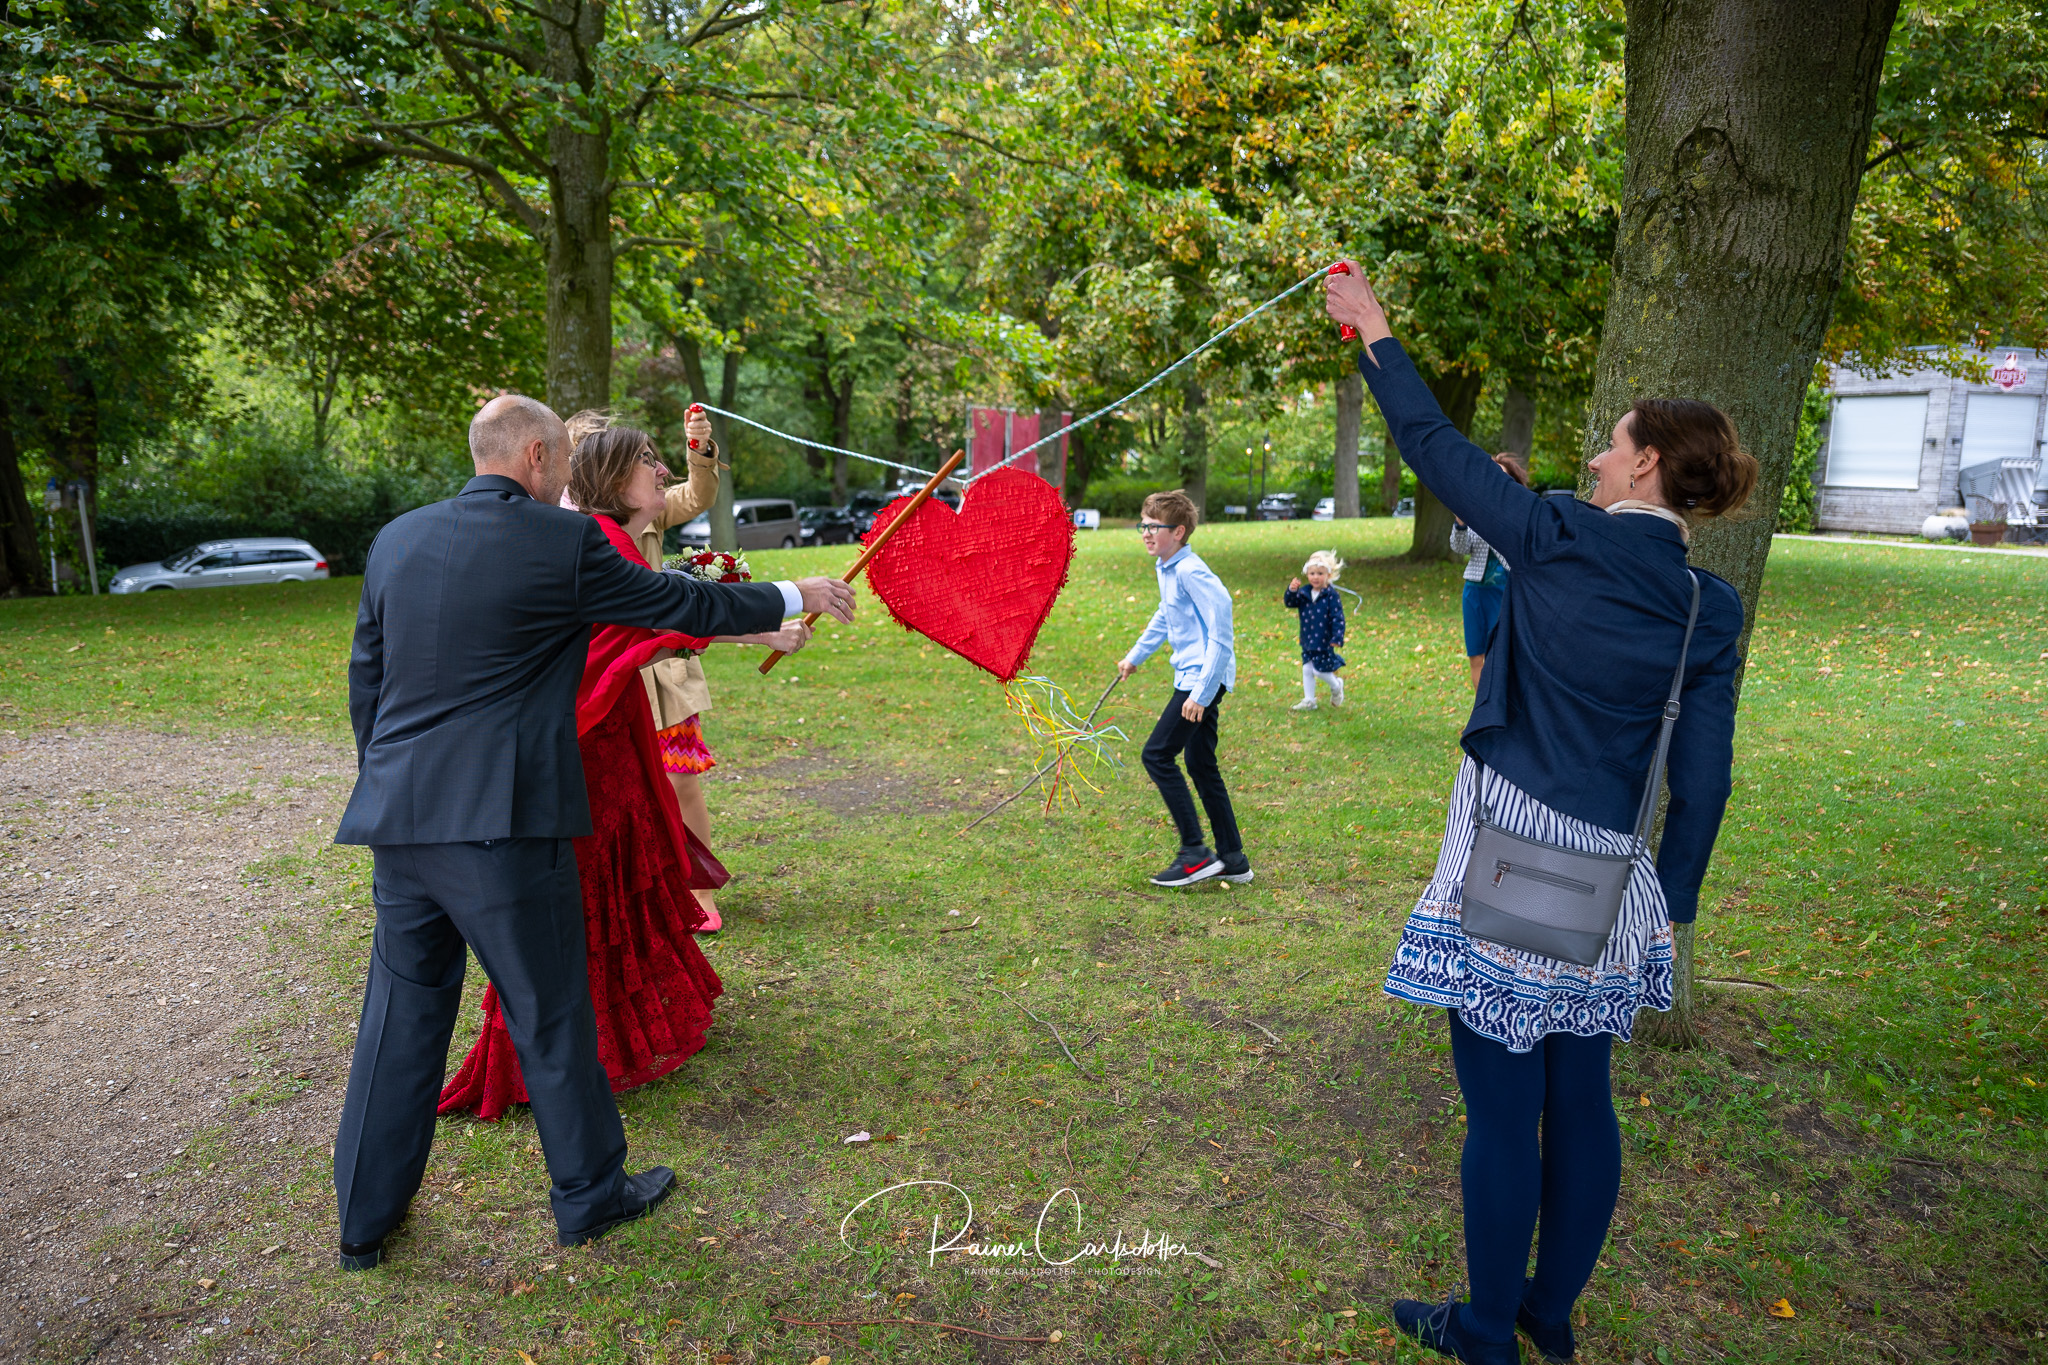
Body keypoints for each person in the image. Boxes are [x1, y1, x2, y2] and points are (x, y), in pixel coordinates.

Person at [1326, 263, 1754, 1365]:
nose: (1597, 456)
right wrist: (1678, 904)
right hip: (1613, 873)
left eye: (1612, 444)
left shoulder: (1559, 533)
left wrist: (1373, 329)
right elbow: (1699, 779)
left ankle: (1481, 1332)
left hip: (1510, 853)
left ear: (1647, 462)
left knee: (1502, 1108)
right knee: (1583, 1099)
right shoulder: (1711, 604)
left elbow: (1434, 448)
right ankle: (1545, 1318)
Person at [333, 394, 856, 1271]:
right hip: (505, 826)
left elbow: (367, 683)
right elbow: (672, 601)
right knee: (551, 1010)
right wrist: (794, 590)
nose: (570, 476)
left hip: (400, 822)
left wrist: (390, 787)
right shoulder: (559, 540)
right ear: (536, 455)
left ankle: (362, 1221)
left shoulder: (396, 539)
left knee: (398, 1018)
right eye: (563, 463)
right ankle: (589, 1194)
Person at [436, 422, 805, 1122]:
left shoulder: (612, 535)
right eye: (647, 460)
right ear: (611, 477)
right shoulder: (593, 539)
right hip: (584, 744)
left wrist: (755, 627)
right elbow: (641, 625)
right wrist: (766, 621)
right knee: (588, 891)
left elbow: (661, 612)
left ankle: (629, 1039)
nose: (661, 467)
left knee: (622, 874)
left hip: (612, 735)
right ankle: (568, 1054)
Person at [567, 405, 730, 931]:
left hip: (660, 674)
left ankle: (701, 891)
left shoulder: (646, 510)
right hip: (603, 674)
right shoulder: (558, 521)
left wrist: (699, 448)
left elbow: (698, 495)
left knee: (681, 778)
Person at [1116, 490, 1253, 889]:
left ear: (1177, 531)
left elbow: (1221, 628)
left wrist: (1201, 693)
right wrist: (1135, 656)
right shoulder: (1168, 568)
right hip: (1194, 678)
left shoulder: (1191, 570)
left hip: (1201, 680)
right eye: (1143, 524)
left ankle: (1194, 852)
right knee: (1200, 765)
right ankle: (1233, 858)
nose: (1145, 532)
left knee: (1157, 755)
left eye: (1153, 526)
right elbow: (1166, 615)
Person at [1450, 456, 1532, 689]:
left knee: (1503, 657)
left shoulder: (1519, 510)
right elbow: (1460, 548)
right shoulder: (1471, 509)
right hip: (1475, 592)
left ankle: (1505, 716)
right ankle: (1482, 720)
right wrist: (1461, 523)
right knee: (1476, 657)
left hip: (1505, 591)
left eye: (1502, 475)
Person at [1284, 550, 1348, 711]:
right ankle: (1309, 700)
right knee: (1307, 668)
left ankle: (1336, 685)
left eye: (1320, 573)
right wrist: (1291, 590)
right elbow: (1290, 602)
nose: (1315, 577)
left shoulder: (1331, 596)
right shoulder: (1304, 592)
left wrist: (1337, 637)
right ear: (1307, 574)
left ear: (1328, 575)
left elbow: (1337, 618)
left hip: (1324, 640)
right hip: (1307, 639)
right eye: (1312, 573)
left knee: (1319, 671)